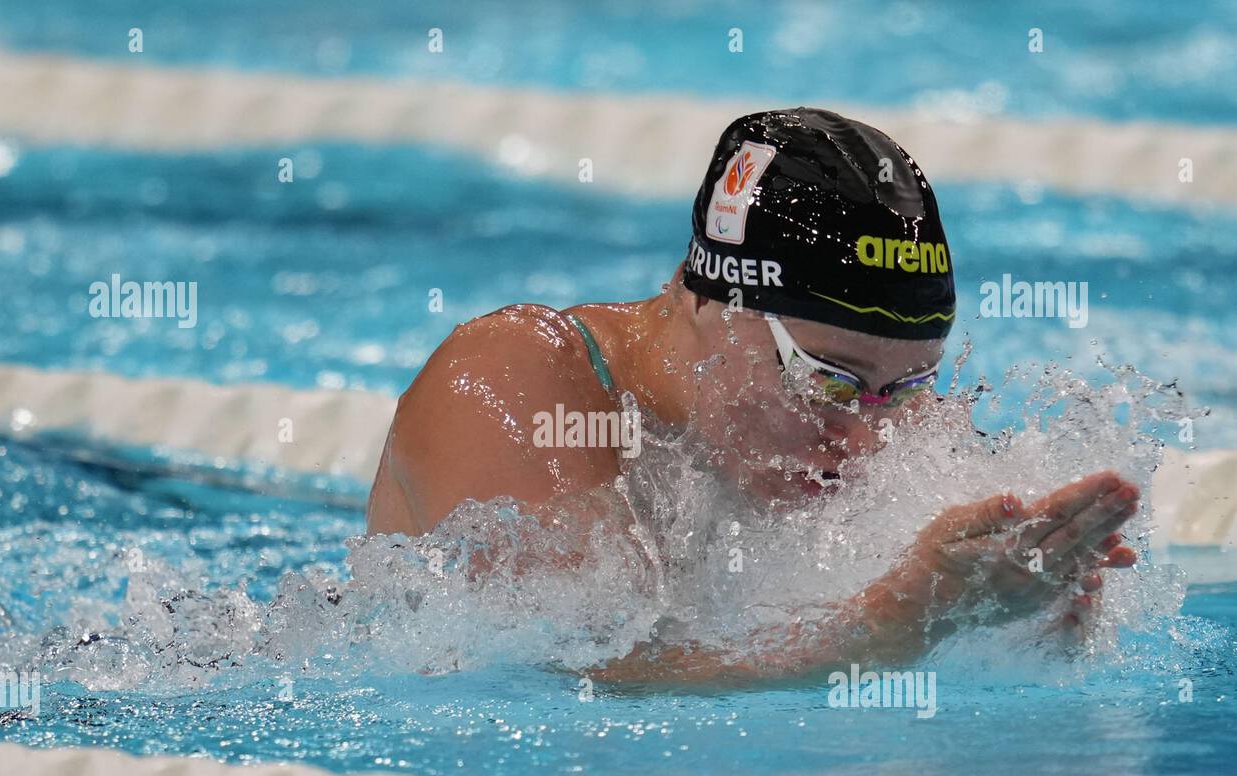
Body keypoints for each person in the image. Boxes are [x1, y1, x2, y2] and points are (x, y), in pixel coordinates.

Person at [366, 108, 1138, 681]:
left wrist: (1021, 629)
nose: (865, 442)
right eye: (824, 381)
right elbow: (559, 678)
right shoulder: (518, 379)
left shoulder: (878, 425)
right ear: (709, 301)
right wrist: (896, 622)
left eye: (900, 392)